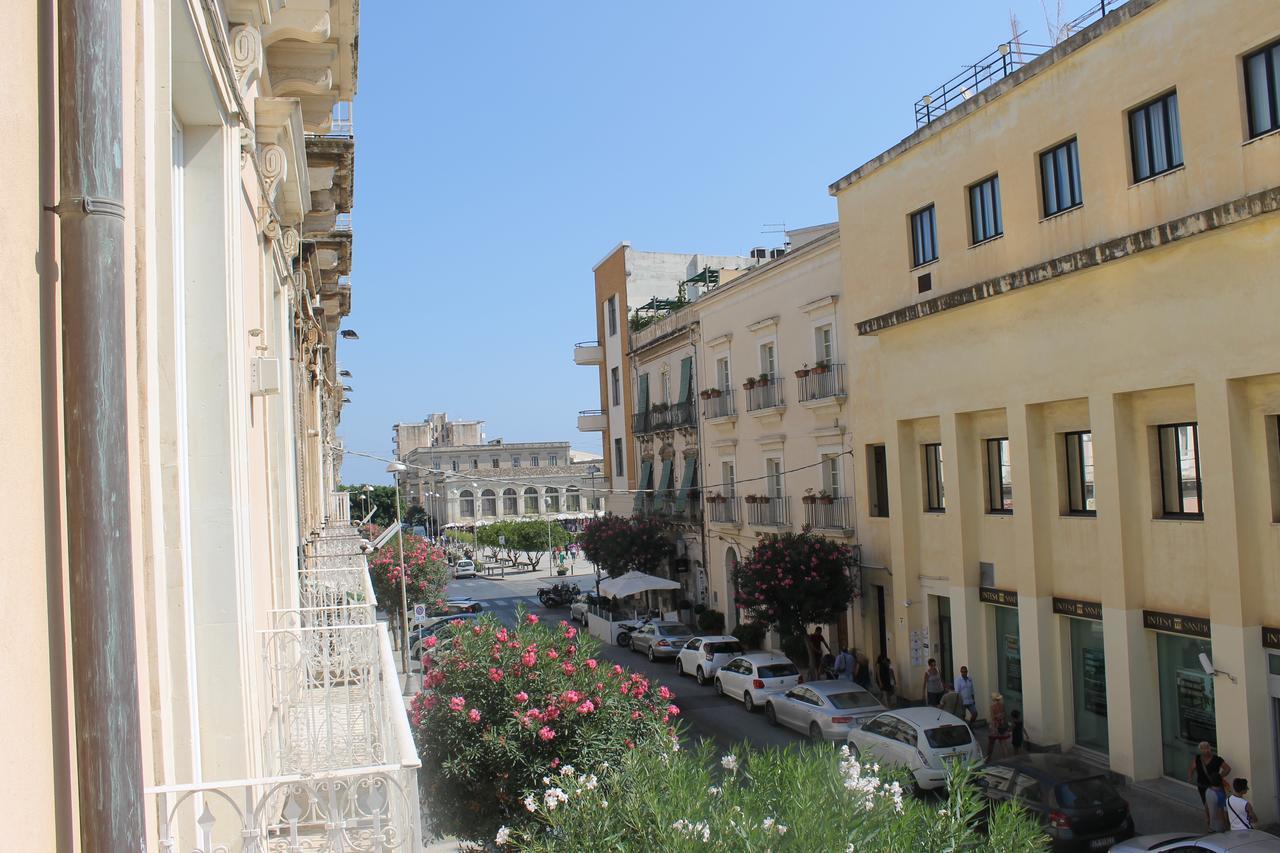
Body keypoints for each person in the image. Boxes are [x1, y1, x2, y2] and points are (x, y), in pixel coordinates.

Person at [1187, 741, 1231, 827]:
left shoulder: (1217, 759)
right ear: (1200, 750)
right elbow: (1191, 768)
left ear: (1210, 748)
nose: (1206, 750)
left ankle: (1223, 823)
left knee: (1220, 806)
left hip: (1216, 786)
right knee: (1207, 805)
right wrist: (1190, 777)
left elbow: (1227, 769)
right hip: (1203, 786)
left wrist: (1219, 777)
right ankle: (1209, 822)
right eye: (1203, 749)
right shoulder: (1197, 759)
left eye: (1207, 748)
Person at [987, 693, 1011, 759]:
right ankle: (1007, 759)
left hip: (995, 726)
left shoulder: (992, 707)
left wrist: (992, 727)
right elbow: (1005, 715)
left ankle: (988, 758)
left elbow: (992, 718)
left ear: (993, 699)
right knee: (1004, 744)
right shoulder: (1002, 705)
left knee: (991, 743)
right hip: (1002, 725)